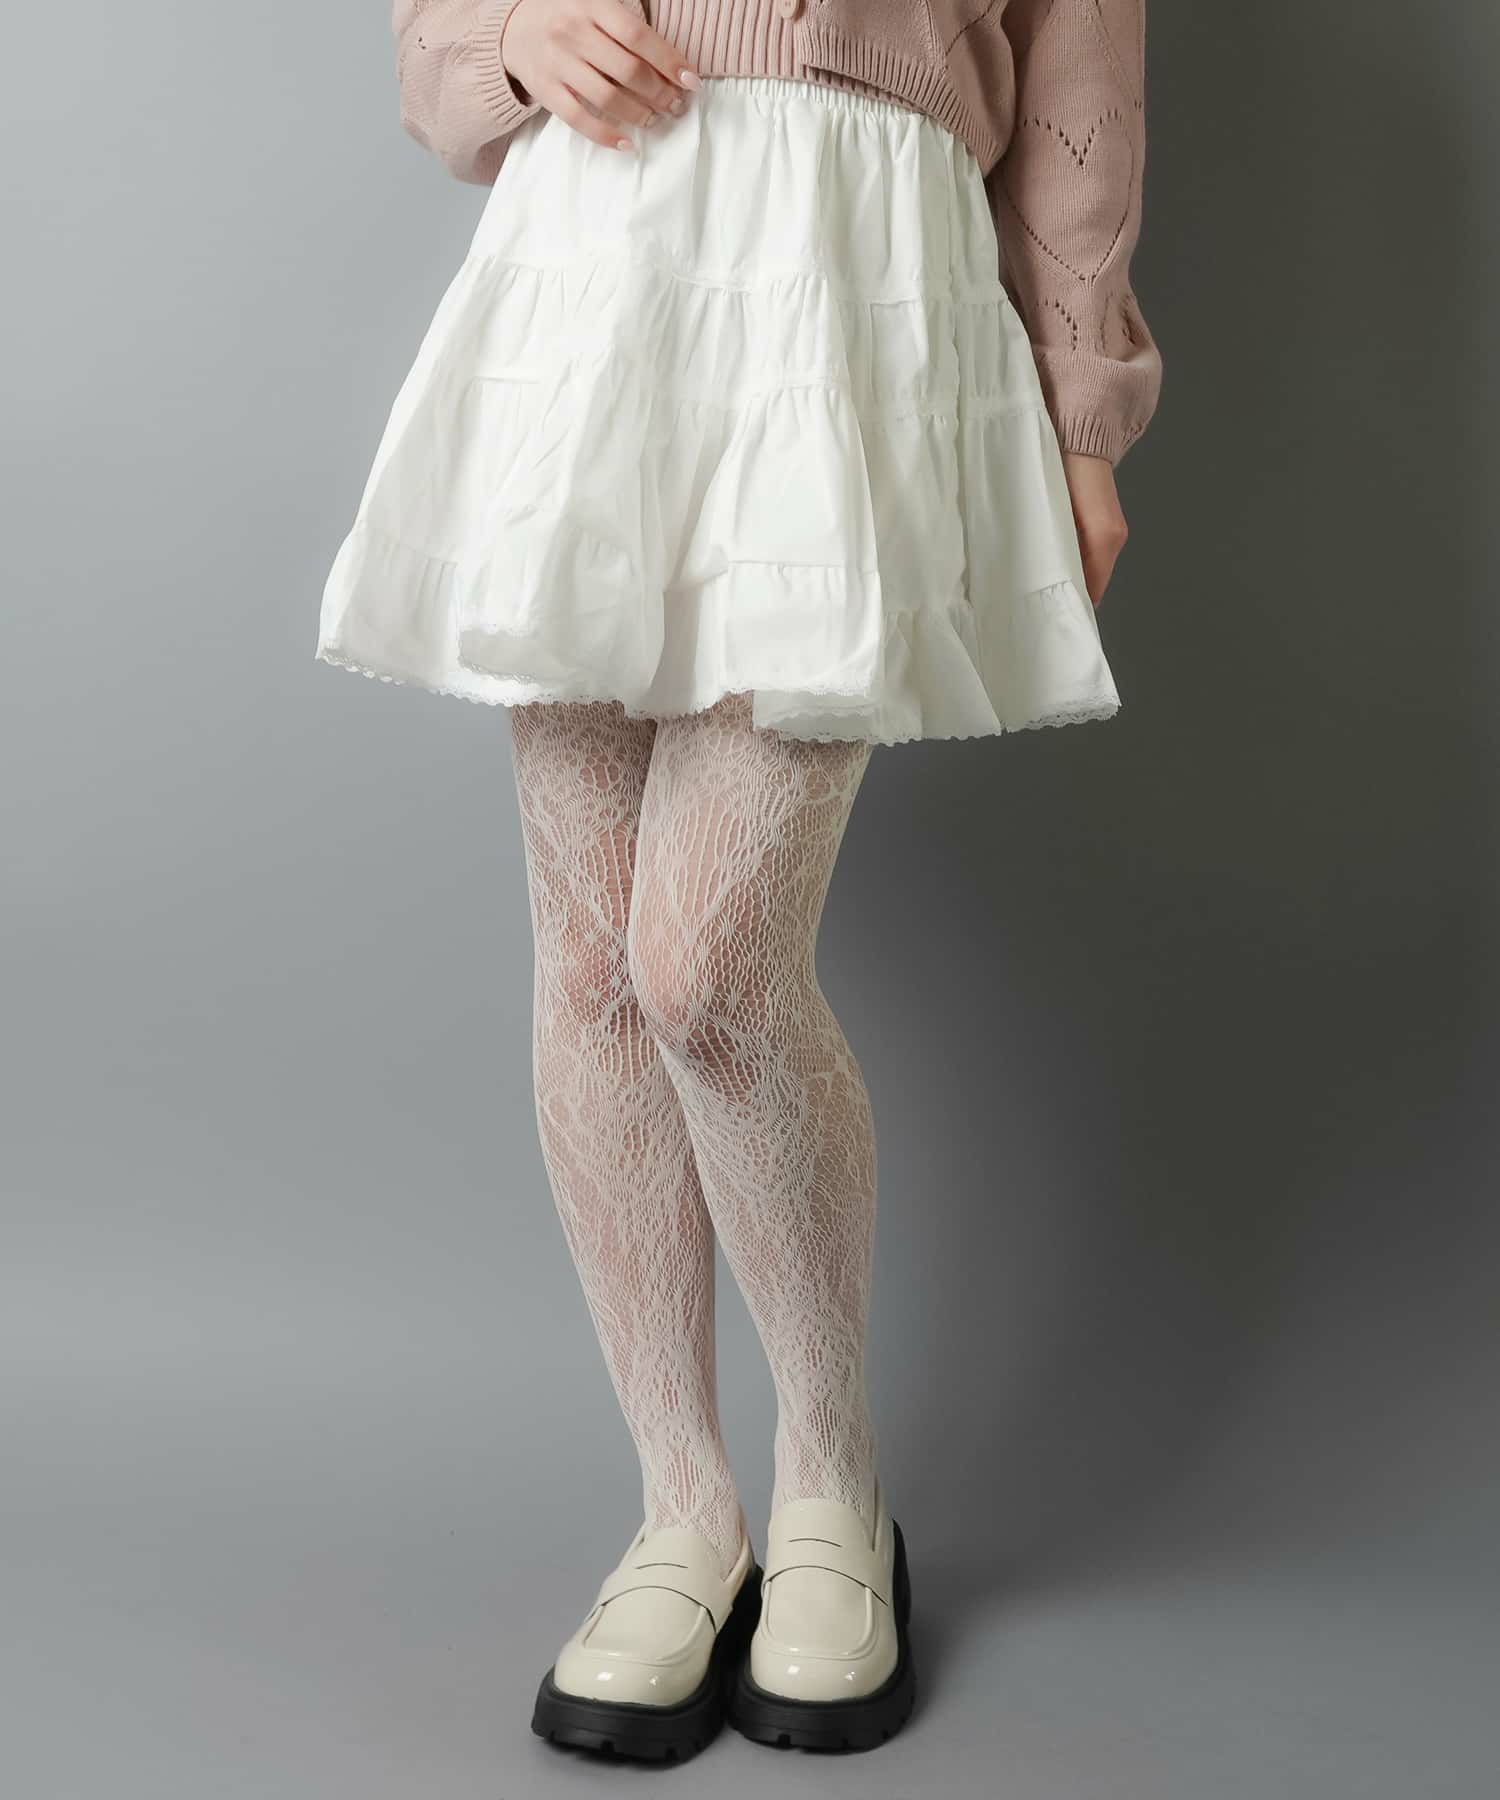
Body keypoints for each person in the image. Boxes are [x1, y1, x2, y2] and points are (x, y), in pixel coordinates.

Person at [315, 0, 1162, 1763]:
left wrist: (1084, 413)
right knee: (592, 964)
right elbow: (440, 43)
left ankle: (835, 1493)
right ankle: (684, 1511)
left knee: (705, 966)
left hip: (854, 267)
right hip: (600, 250)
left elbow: (1079, 50)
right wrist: (509, 37)